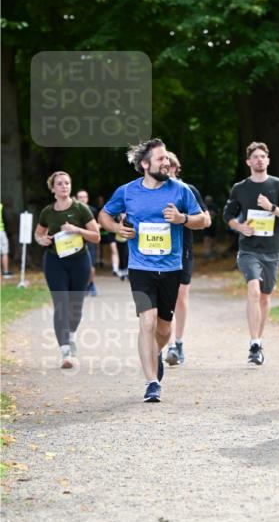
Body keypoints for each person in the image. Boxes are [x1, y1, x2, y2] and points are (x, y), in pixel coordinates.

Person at [99, 138, 205, 403]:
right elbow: (104, 215)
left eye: (167, 158)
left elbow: (205, 220)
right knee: (147, 321)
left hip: (171, 268)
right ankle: (152, 383)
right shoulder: (127, 192)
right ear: (145, 164)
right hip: (140, 268)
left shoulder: (180, 190)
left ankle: (154, 352)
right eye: (160, 159)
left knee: (164, 329)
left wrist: (183, 219)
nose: (166, 163)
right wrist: (116, 229)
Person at [223, 141, 279, 366]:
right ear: (248, 162)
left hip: (272, 250)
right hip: (248, 249)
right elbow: (228, 216)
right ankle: (253, 342)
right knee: (253, 289)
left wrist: (271, 208)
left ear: (268, 160)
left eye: (262, 156)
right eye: (255, 157)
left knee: (265, 296)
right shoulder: (240, 188)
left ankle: (259, 340)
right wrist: (240, 227)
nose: (259, 160)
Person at [35, 172, 100, 368]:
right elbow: (39, 234)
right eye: (60, 184)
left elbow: (96, 236)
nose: (64, 186)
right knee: (61, 303)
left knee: (75, 305)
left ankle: (70, 336)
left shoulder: (81, 209)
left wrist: (77, 230)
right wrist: (42, 240)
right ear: (52, 188)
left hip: (80, 261)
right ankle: (65, 351)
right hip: (55, 261)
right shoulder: (47, 211)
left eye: (67, 183)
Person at [164, 151, 211, 367]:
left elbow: (207, 220)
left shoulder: (188, 191)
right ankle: (169, 344)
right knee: (165, 299)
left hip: (183, 250)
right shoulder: (152, 191)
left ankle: (179, 342)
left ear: (176, 168)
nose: (167, 171)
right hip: (159, 253)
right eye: (164, 167)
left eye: (171, 167)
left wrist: (183, 219)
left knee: (181, 297)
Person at [75, 190, 98, 295]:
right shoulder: (73, 210)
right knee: (78, 264)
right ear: (76, 198)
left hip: (90, 240)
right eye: (80, 197)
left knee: (91, 264)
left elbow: (101, 224)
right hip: (76, 240)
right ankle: (81, 285)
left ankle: (91, 284)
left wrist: (92, 229)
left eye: (84, 197)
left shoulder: (92, 210)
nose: (82, 199)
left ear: (87, 198)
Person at [0, 202, 13, 278]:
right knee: (4, 252)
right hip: (1, 231)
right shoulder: (1, 206)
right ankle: (5, 272)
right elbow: (6, 219)